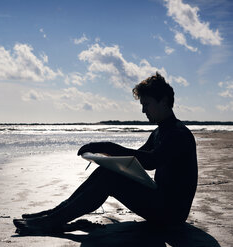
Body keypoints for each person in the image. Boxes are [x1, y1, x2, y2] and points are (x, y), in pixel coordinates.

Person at [14, 72, 198, 234]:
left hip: (172, 214)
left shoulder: (178, 134)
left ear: (164, 101)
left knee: (110, 178)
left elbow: (150, 161)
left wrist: (107, 146)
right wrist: (105, 158)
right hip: (160, 203)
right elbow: (135, 160)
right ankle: (54, 214)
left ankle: (50, 221)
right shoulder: (160, 131)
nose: (143, 110)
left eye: (147, 104)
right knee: (107, 172)